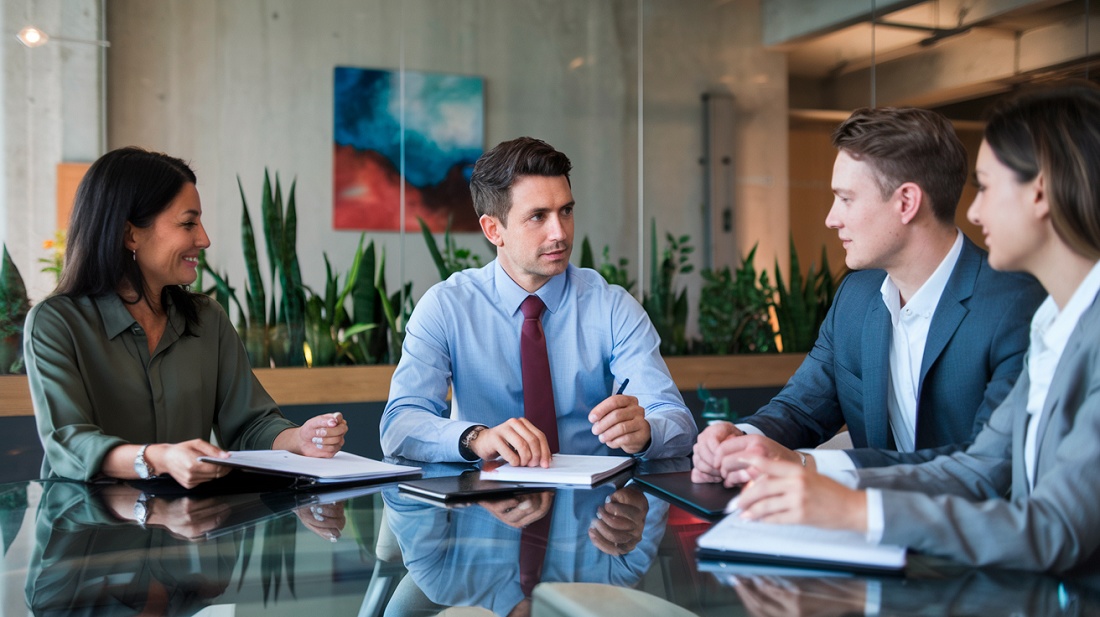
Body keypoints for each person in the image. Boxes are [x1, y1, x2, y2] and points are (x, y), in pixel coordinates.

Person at [732, 82, 1100, 572]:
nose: (973, 211)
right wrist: (807, 470)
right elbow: (981, 467)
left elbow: (1053, 527)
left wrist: (855, 509)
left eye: (986, 187)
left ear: (1039, 193)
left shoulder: (1029, 310)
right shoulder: (1055, 323)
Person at [693, 106, 1045, 487]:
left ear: (906, 202)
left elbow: (989, 467)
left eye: (845, 199)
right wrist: (741, 439)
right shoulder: (855, 297)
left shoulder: (1016, 306)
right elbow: (801, 408)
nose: (831, 219)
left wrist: (809, 465)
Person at [24, 147, 348, 489]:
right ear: (131, 234)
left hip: (185, 518)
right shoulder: (56, 323)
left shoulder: (208, 319)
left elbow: (250, 425)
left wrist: (299, 438)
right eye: (188, 223)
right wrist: (158, 458)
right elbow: (68, 442)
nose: (204, 239)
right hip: (85, 517)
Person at [380, 137, 696, 465]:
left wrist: (647, 431)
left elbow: (677, 421)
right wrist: (477, 438)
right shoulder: (446, 307)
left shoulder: (613, 307)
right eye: (538, 216)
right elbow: (399, 424)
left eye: (566, 211)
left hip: (594, 494)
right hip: (484, 492)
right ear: (493, 230)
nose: (560, 233)